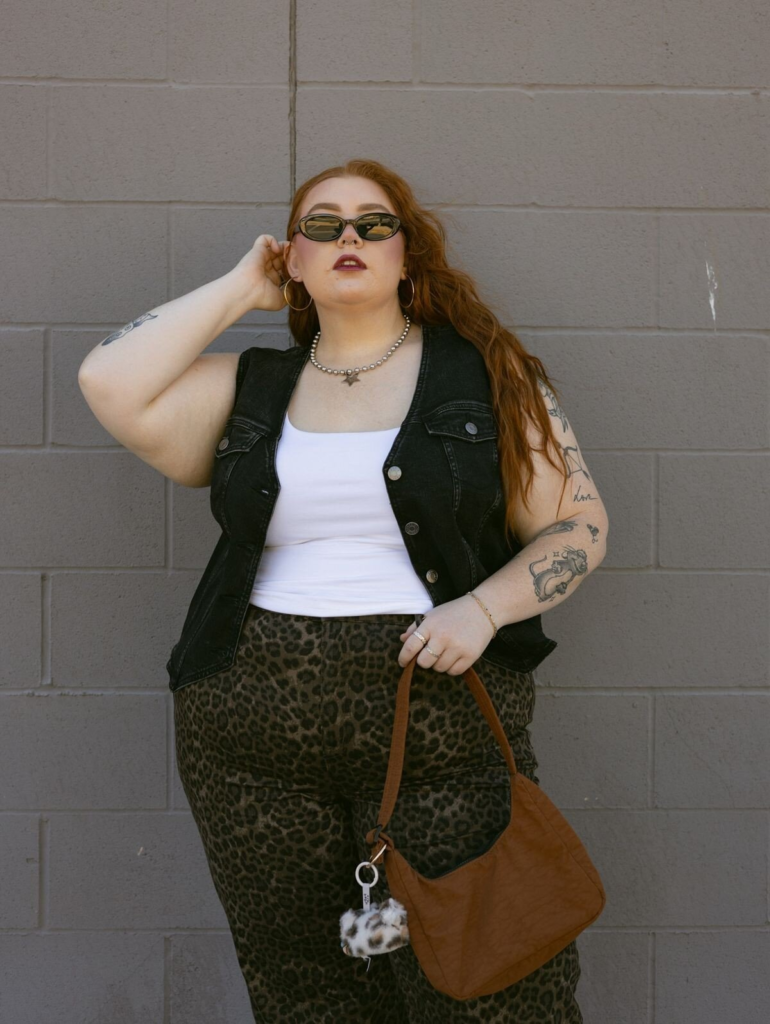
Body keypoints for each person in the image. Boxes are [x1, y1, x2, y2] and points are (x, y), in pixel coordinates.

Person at [78, 158, 608, 1023]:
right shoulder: (253, 389)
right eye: (321, 227)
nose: (349, 237)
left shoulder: (490, 375)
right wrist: (240, 286)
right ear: (294, 257)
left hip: (441, 735)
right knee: (308, 999)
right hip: (251, 749)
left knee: (494, 992)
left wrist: (483, 608)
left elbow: (580, 527)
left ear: (409, 253)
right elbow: (108, 379)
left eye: (373, 222)